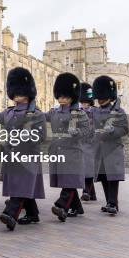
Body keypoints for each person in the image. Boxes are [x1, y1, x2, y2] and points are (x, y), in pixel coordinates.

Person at [0, 67, 46, 231]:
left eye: (19, 93)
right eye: (14, 93)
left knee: (21, 186)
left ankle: (11, 213)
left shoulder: (36, 114)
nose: (16, 96)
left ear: (28, 93)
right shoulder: (9, 112)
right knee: (21, 185)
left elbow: (41, 137)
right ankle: (33, 213)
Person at [46, 73, 92, 222]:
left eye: (66, 96)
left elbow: (87, 132)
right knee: (67, 180)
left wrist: (77, 132)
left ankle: (62, 206)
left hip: (72, 153)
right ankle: (77, 207)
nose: (62, 99)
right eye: (60, 96)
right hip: (58, 151)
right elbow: (40, 117)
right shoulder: (54, 112)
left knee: (69, 182)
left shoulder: (79, 114)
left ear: (72, 96)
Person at [91, 75, 129, 216]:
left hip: (112, 149)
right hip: (99, 149)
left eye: (102, 97)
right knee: (104, 177)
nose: (100, 100)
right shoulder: (95, 111)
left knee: (113, 178)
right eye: (98, 97)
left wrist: (113, 130)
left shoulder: (119, 112)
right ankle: (109, 202)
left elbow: (124, 129)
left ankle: (113, 203)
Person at [79, 82, 98, 202]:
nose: (84, 105)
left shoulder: (95, 111)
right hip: (80, 142)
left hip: (92, 143)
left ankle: (86, 191)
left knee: (88, 168)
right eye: (82, 102)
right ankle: (92, 194)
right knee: (84, 168)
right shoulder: (77, 111)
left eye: (86, 102)